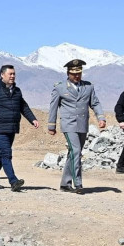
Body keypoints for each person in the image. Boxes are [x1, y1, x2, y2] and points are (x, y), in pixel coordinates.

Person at [0, 64, 39, 192]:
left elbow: (23, 107)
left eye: (14, 74)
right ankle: (13, 181)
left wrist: (32, 119)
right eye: (10, 74)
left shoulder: (17, 91)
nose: (12, 76)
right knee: (6, 153)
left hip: (12, 128)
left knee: (0, 153)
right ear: (2, 75)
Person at [47, 59, 107, 193]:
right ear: (68, 73)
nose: (77, 76)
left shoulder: (88, 87)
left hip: (82, 124)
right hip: (68, 124)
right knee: (76, 151)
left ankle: (65, 184)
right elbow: (53, 107)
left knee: (73, 154)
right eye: (74, 74)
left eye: (79, 73)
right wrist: (51, 125)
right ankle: (78, 183)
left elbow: (95, 103)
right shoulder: (60, 87)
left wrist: (101, 118)